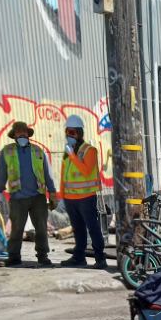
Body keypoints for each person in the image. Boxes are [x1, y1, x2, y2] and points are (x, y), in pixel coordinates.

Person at [0, 120, 58, 267]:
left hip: (38, 197)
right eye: (18, 132)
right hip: (18, 198)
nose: (22, 135)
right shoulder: (7, 151)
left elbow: (48, 174)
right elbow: (1, 174)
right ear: (14, 135)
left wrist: (53, 193)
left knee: (41, 228)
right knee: (16, 229)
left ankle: (43, 256)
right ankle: (14, 257)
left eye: (24, 132)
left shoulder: (38, 151)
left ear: (27, 134)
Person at [59, 114, 108, 269]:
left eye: (72, 132)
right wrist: (61, 196)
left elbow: (86, 171)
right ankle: (79, 257)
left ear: (80, 133)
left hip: (86, 198)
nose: (69, 135)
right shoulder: (68, 152)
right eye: (67, 132)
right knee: (78, 230)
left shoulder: (89, 150)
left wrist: (73, 156)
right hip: (70, 198)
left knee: (93, 228)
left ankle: (100, 259)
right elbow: (63, 176)